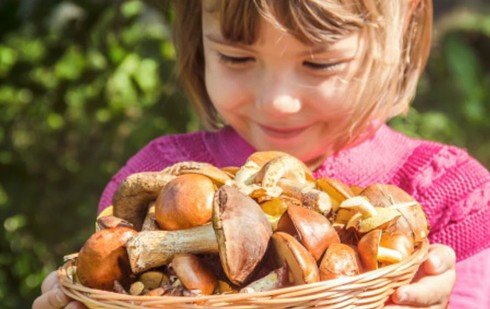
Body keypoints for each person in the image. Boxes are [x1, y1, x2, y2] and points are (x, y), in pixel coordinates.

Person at [34, 0, 490, 308]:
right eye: (236, 58)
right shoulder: (154, 179)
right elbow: (115, 274)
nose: (277, 101)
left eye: (319, 63)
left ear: (404, 29)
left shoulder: (451, 198)